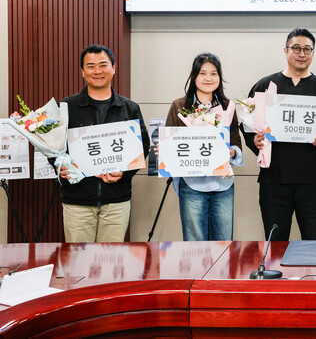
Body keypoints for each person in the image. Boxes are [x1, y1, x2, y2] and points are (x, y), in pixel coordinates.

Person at [242, 28, 316, 241]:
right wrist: (254, 141)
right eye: (296, 48)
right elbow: (247, 126)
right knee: (275, 245)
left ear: (313, 53)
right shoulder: (265, 85)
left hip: (313, 182)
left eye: (307, 49)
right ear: (285, 51)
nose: (302, 54)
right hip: (274, 181)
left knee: (314, 244)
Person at [58, 44, 149, 243]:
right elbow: (53, 146)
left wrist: (124, 173)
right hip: (77, 201)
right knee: (78, 258)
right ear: (82, 71)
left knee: (111, 259)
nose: (97, 71)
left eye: (103, 65)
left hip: (116, 201)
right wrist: (59, 167)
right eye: (90, 66)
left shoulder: (129, 108)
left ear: (114, 68)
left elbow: (143, 147)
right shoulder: (66, 107)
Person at [165, 53, 243, 241]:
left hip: (223, 184)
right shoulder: (179, 106)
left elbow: (235, 141)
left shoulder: (227, 106)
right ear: (193, 76)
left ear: (220, 77)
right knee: (195, 244)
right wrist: (165, 151)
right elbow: (168, 142)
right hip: (192, 184)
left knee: (223, 242)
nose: (208, 78)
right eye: (203, 73)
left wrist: (232, 152)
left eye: (214, 74)